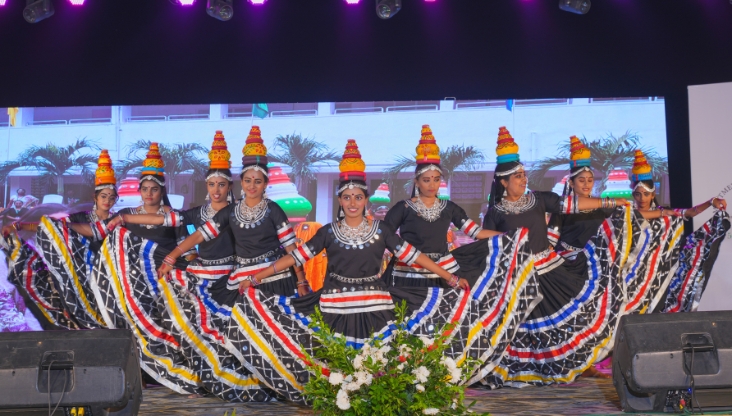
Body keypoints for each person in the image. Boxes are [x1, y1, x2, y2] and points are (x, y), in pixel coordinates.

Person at [180, 139, 540, 403]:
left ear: (365, 200)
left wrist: (449, 277)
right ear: (340, 201)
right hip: (333, 306)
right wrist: (258, 276)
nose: (353, 202)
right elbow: (297, 255)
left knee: (382, 365)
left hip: (376, 306)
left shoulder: (380, 230)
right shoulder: (328, 232)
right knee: (332, 365)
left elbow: (413, 255)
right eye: (347, 197)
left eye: (358, 197)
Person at [105, 131, 273, 401]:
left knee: (231, 333)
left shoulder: (238, 212)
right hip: (202, 278)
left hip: (230, 280)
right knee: (185, 324)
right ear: (206, 186)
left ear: (230, 186)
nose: (216, 190)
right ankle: (202, 379)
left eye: (221, 185)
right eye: (212, 184)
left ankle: (236, 379)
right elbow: (166, 220)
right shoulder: (197, 213)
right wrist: (124, 219)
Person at [480, 127, 631, 388]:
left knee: (572, 317)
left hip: (550, 271)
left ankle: (579, 365)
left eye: (524, 175)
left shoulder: (539, 199)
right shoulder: (495, 212)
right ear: (503, 182)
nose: (523, 180)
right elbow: (487, 242)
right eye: (517, 176)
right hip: (519, 276)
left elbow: (573, 205)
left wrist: (609, 203)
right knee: (525, 327)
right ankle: (530, 370)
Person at [91, 143, 203, 395]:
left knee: (172, 321)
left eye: (154, 189)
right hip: (135, 281)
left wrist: (195, 265)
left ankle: (172, 372)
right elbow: (107, 239)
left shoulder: (174, 216)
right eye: (145, 189)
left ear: (162, 190)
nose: (149, 193)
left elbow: (185, 247)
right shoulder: (125, 214)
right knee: (131, 325)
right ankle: (138, 373)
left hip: (165, 277)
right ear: (139, 191)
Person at [382, 125, 502, 289]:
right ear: (417, 182)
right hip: (409, 273)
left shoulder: (450, 208)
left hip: (444, 271)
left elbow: (476, 232)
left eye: (436, 179)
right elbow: (384, 236)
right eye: (426, 180)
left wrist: (510, 235)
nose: (432, 185)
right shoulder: (403, 208)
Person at [34, 149, 119, 329]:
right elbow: (54, 228)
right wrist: (19, 226)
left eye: (112, 198)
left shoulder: (118, 220)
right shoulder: (79, 217)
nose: (107, 201)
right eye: (103, 196)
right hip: (84, 271)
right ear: (95, 197)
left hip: (111, 272)